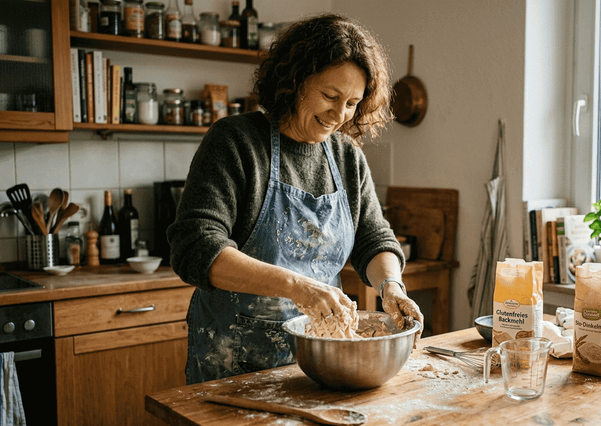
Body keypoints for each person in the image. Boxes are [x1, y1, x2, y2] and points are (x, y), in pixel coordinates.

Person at [168, 13, 424, 384]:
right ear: (295, 82)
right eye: (330, 96)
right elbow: (195, 248)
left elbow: (373, 237)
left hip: (323, 363)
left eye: (352, 102)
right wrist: (298, 287)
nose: (339, 115)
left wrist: (391, 287)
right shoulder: (235, 142)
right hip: (234, 367)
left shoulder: (346, 156)